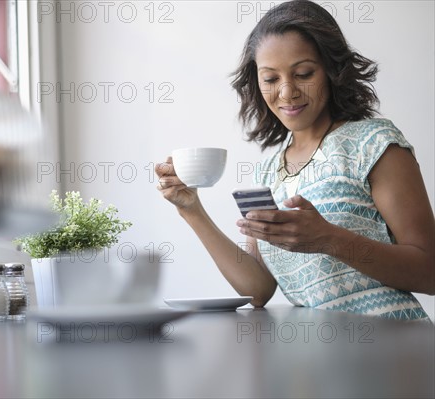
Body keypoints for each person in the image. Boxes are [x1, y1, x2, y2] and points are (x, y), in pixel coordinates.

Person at [155, 0, 434, 320]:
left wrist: (330, 239)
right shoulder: (269, 171)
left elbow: (429, 271)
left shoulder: (373, 144)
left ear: (331, 69)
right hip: (314, 357)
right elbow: (258, 289)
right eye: (271, 79)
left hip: (394, 355)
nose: (287, 92)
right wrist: (191, 210)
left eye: (303, 73)